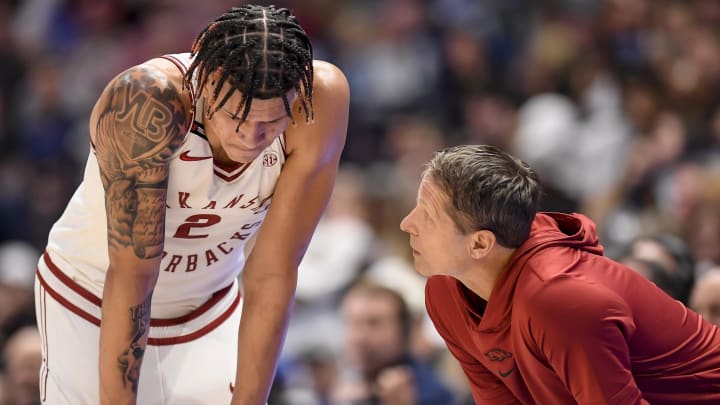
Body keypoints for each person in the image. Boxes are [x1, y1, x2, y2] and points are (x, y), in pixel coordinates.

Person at [33, 5, 349, 405]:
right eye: (237, 115)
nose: (252, 138)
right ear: (206, 80)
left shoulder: (321, 100)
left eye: (271, 122)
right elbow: (133, 275)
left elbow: (273, 273)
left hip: (209, 304)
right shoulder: (148, 100)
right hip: (94, 298)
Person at [399, 144, 720, 404]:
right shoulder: (445, 289)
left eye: (427, 215)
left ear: (480, 244)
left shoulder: (558, 297)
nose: (407, 223)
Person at [332, 279, 454, 405]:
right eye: (354, 323)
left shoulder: (432, 394)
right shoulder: (338, 384)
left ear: (403, 330)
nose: (359, 337)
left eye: (374, 323)